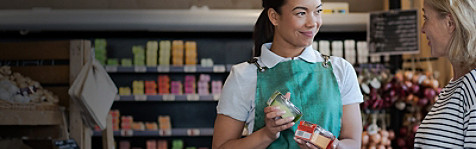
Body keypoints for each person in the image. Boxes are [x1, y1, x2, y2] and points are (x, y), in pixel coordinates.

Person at [211, 0, 363, 148]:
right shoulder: (243, 75)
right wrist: (267, 134)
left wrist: (333, 146)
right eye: (301, 13)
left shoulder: (341, 70)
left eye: (318, 11)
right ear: (274, 17)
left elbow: (353, 142)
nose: (312, 23)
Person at [414, 0, 476, 148]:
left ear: (450, 23)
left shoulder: (473, 86)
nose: (423, 29)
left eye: (426, 18)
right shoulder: (456, 85)